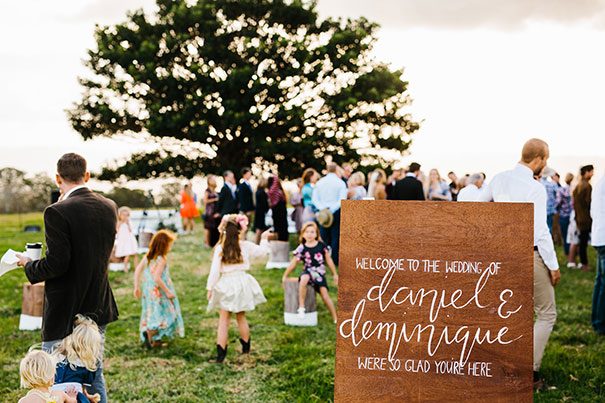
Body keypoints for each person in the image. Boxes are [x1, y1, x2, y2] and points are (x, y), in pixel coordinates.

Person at [17, 153, 118, 403]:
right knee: (93, 374)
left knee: (52, 377)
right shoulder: (109, 206)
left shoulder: (57, 211)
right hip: (98, 301)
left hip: (65, 308)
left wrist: (29, 264)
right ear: (87, 175)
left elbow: (57, 264)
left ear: (57, 178)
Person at [483, 138, 560, 390]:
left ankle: (502, 366)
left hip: (502, 256)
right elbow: (540, 231)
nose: (545, 164)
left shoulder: (498, 179)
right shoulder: (535, 188)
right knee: (547, 313)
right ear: (538, 159)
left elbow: (475, 206)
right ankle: (530, 373)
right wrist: (553, 265)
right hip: (529, 254)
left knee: (510, 312)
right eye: (546, 159)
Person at [206, 214, 271, 363]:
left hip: (226, 284)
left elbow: (214, 271)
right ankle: (246, 351)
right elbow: (263, 252)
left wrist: (210, 287)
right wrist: (264, 238)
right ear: (240, 230)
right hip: (242, 282)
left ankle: (221, 355)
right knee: (241, 316)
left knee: (224, 320)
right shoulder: (246, 246)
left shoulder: (220, 249)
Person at [133, 230, 184, 348]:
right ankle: (150, 333)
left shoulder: (149, 256)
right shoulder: (161, 259)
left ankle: (154, 340)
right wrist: (168, 291)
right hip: (159, 291)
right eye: (170, 244)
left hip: (148, 291)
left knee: (153, 312)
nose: (170, 247)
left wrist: (136, 287)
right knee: (167, 314)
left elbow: (137, 270)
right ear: (164, 245)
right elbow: (157, 277)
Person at [282, 222, 338, 323]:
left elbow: (329, 260)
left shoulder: (321, 246)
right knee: (304, 278)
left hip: (319, 274)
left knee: (325, 296)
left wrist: (335, 274)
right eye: (307, 232)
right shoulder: (302, 247)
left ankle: (335, 318)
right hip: (307, 271)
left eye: (312, 232)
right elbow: (294, 263)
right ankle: (301, 307)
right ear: (303, 234)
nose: (309, 234)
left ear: (316, 234)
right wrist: (285, 275)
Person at [52, 315, 103, 403]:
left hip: (56, 397)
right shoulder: (86, 366)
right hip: (72, 397)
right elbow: (83, 387)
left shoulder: (56, 358)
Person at [312, 163, 348, 265]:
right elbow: (342, 199)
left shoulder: (320, 183)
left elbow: (315, 199)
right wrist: (331, 209)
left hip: (323, 213)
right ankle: (335, 260)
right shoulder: (340, 183)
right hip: (335, 211)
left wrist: (323, 209)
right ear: (336, 170)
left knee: (323, 236)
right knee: (336, 236)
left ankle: (321, 259)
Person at [591, 172, 605, 335]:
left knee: (600, 281)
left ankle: (597, 320)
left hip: (599, 236)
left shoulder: (600, 181)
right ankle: (600, 323)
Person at [573, 164, 594, 271]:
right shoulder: (587, 186)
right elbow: (589, 204)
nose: (593, 174)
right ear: (586, 173)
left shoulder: (578, 185)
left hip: (579, 218)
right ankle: (584, 264)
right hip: (585, 218)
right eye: (591, 172)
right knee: (583, 243)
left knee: (582, 241)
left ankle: (582, 262)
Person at [114, 206, 139, 272]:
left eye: (126, 215)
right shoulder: (118, 222)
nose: (125, 217)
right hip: (124, 240)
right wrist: (121, 223)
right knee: (127, 254)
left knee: (135, 254)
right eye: (123, 215)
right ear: (120, 215)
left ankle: (137, 267)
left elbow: (130, 230)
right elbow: (117, 230)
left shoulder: (129, 222)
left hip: (130, 239)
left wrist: (127, 224)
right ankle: (125, 268)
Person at [556, 173, 574, 256]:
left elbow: (558, 202)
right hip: (573, 215)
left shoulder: (561, 190)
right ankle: (573, 252)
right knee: (573, 235)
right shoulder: (574, 189)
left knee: (565, 234)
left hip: (563, 215)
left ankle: (567, 252)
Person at [267, 174, 289, 242]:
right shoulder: (273, 191)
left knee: (282, 230)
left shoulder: (274, 190)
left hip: (280, 213)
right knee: (280, 230)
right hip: (278, 213)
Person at [203, 175, 220, 247]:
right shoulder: (207, 191)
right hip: (209, 212)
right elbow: (205, 201)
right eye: (212, 179)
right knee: (208, 228)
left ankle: (211, 242)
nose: (214, 181)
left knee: (212, 228)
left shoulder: (215, 190)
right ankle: (206, 243)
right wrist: (215, 199)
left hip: (214, 211)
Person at [540, 168, 558, 234]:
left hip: (541, 209)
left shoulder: (538, 183)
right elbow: (557, 196)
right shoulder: (552, 184)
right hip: (550, 209)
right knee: (549, 227)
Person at [254, 177, 270, 244]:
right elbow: (264, 204)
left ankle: (257, 243)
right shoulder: (262, 192)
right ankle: (257, 244)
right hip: (261, 213)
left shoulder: (257, 191)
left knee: (259, 229)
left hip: (258, 212)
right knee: (260, 229)